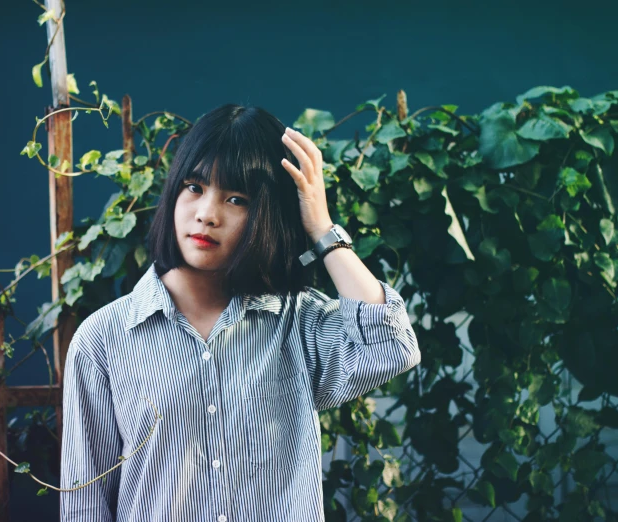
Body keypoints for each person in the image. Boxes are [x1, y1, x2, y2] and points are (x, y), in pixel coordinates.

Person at [60, 104, 421, 521]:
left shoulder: (298, 323)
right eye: (194, 187)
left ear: (266, 215)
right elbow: (85, 504)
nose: (207, 214)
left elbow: (392, 347)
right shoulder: (103, 339)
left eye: (236, 198)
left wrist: (322, 229)